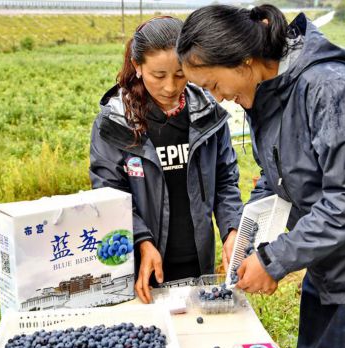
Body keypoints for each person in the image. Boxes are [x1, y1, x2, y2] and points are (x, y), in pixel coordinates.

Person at [177, 5, 345, 348]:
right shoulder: (268, 94)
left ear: (244, 62)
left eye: (214, 85)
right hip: (331, 267)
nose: (218, 97)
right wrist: (244, 231)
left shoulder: (331, 89)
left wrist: (273, 261)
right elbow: (277, 174)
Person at [89, 16, 242, 304]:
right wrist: (141, 242)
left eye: (181, 74)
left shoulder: (207, 115)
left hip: (198, 262)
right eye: (158, 76)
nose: (170, 87)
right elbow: (109, 195)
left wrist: (233, 229)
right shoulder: (116, 122)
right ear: (138, 67)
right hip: (142, 264)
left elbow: (225, 181)